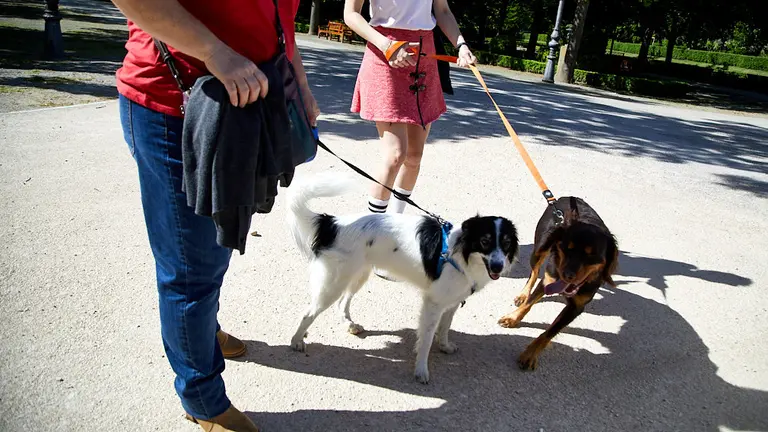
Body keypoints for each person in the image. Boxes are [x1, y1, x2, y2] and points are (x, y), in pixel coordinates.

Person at [110, 0, 319, 430]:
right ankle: (202, 399)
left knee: (212, 249)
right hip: (178, 106)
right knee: (189, 269)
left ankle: (202, 336)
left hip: (245, 109)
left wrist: (300, 84)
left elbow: (280, 17)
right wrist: (213, 50)